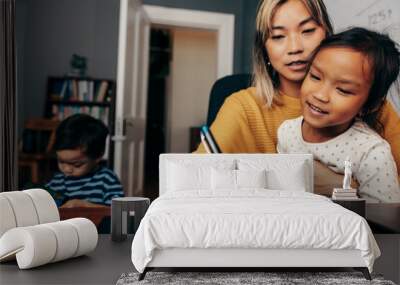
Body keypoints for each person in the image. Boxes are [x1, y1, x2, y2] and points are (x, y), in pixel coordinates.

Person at [194, 0, 400, 181]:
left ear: (327, 35)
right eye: (278, 36)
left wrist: (340, 187)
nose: (294, 47)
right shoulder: (244, 108)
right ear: (264, 49)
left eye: (308, 31)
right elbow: (195, 174)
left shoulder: (375, 107)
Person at [277, 27, 400, 203]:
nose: (320, 95)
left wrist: (344, 191)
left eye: (343, 90)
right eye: (315, 77)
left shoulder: (371, 153)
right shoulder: (287, 132)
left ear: (370, 105)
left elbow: (386, 220)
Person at [46, 114, 124, 207]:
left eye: (76, 164)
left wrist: (85, 206)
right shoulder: (57, 181)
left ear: (98, 156)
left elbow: (118, 211)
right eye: (61, 161)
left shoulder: (107, 180)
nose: (67, 169)